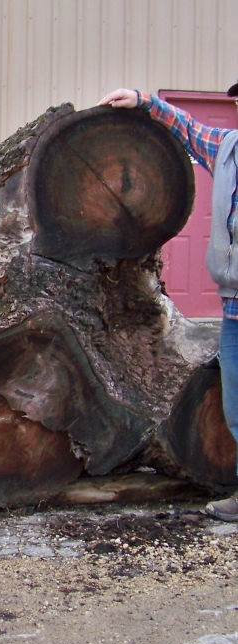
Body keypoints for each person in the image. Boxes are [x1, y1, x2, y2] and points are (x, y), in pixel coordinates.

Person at [98, 83, 238, 521]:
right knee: (236, 411)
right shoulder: (228, 148)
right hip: (233, 309)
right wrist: (144, 102)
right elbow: (189, 129)